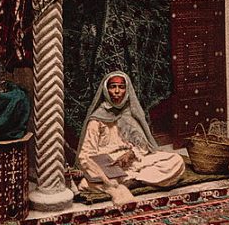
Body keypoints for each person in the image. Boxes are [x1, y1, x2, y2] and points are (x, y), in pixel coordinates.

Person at [76, 71, 185, 205]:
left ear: (127, 90)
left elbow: (144, 146)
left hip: (132, 163)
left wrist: (131, 153)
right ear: (106, 90)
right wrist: (106, 166)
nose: (117, 91)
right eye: (113, 87)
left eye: (121, 87)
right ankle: (123, 183)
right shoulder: (96, 120)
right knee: (92, 179)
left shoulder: (130, 114)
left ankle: (133, 181)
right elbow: (85, 155)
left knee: (176, 161)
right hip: (109, 166)